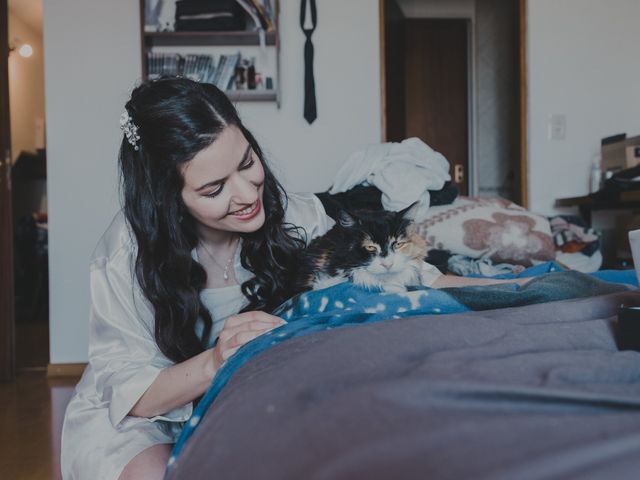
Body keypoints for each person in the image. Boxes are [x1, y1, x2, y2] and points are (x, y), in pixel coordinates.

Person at [61, 77, 526, 480]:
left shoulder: (294, 217)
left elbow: (413, 277)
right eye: (213, 189)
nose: (246, 195)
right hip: (144, 416)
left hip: (243, 397)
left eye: (246, 163)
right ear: (169, 199)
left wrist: (518, 290)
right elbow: (133, 395)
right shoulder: (126, 255)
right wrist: (215, 361)